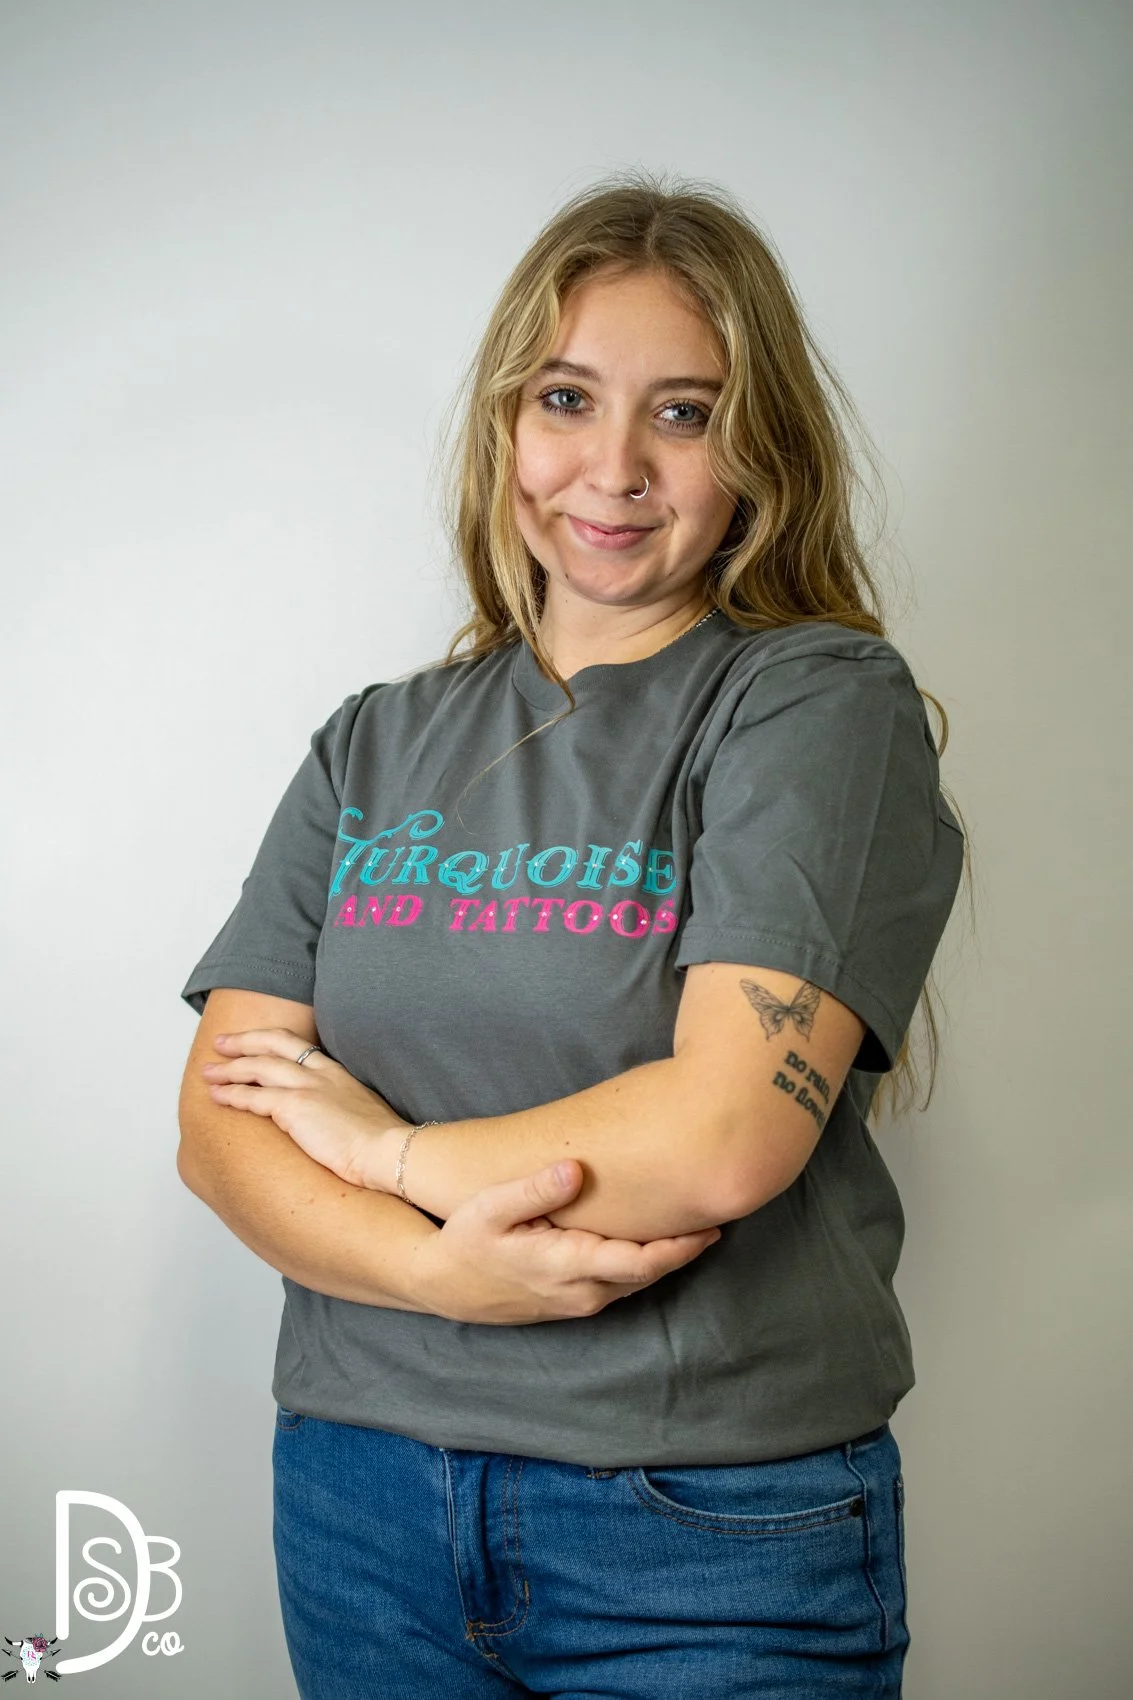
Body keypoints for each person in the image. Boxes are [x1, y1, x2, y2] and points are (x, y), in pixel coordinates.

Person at [177, 169, 969, 1699]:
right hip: (363, 1502)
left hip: (702, 1527)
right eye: (567, 398)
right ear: (504, 425)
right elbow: (225, 1133)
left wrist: (386, 1154)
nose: (613, 468)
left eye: (683, 412)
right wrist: (437, 1278)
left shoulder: (811, 703)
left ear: (758, 452)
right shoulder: (375, 742)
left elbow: (725, 1132)